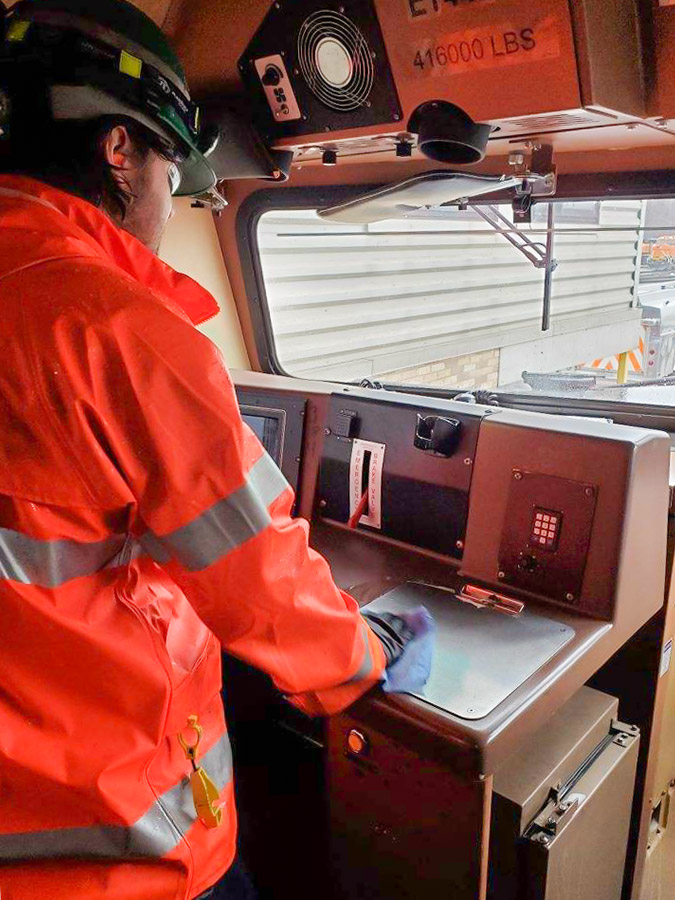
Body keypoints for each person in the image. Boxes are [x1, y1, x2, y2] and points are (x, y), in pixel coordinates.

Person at [0, 2, 433, 899]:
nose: (168, 202)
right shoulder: (114, 327)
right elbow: (256, 579)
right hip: (112, 848)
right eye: (170, 171)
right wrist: (366, 654)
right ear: (119, 151)